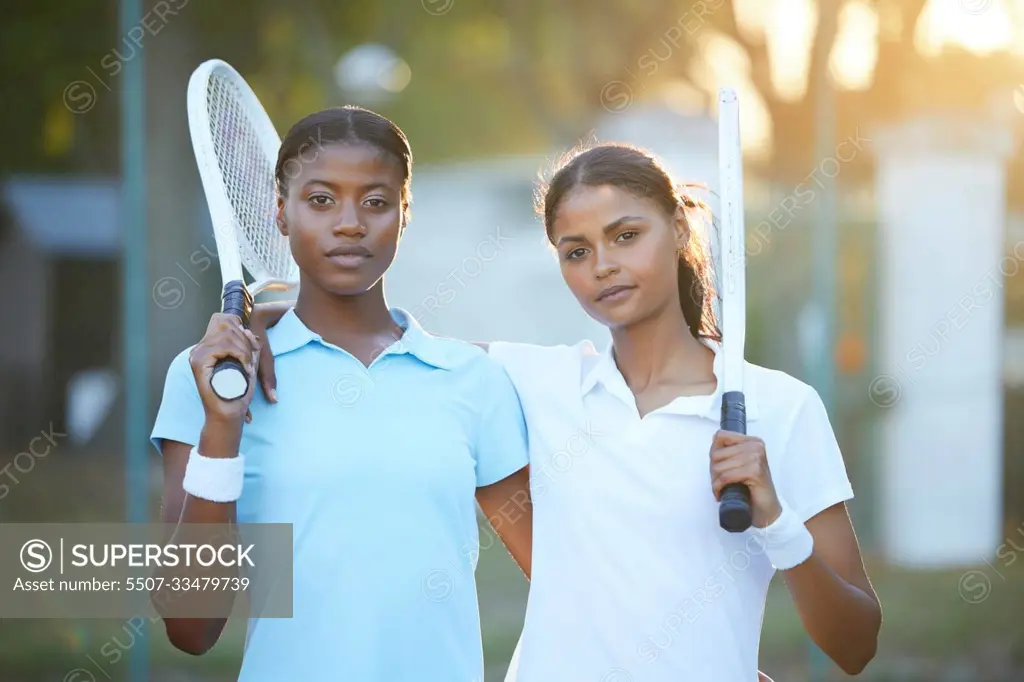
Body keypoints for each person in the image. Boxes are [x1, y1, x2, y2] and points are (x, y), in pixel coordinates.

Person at [251, 143, 882, 681]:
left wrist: (774, 518)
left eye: (626, 236)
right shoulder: (535, 382)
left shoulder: (780, 408)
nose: (602, 266)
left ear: (681, 229)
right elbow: (389, 344)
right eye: (575, 251)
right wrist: (272, 307)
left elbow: (855, 645)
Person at [149, 106, 532, 681]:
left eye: (376, 202)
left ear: (406, 214)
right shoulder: (206, 376)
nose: (350, 223)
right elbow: (191, 628)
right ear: (279, 213)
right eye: (321, 200)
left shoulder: (472, 379)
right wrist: (222, 428)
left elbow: (556, 577)